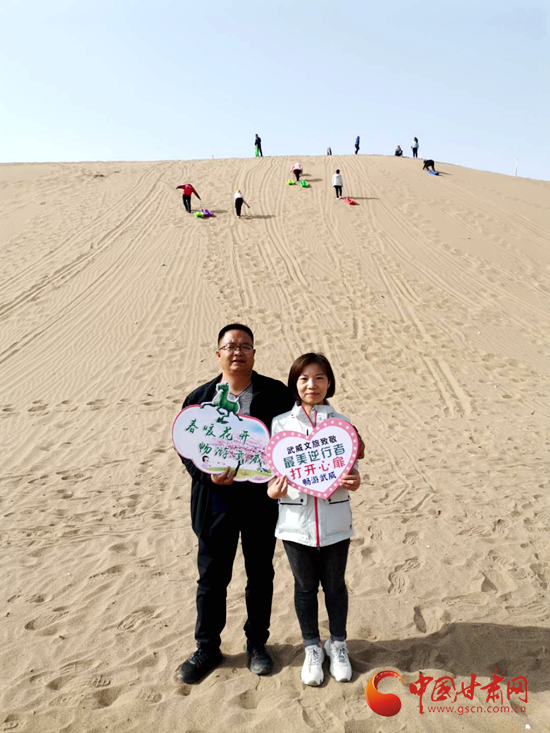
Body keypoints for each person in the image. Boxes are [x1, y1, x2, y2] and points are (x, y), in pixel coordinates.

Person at [176, 324, 295, 684]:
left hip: (261, 502)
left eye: (245, 346)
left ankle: (257, 644)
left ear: (254, 353)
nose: (237, 352)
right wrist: (207, 476)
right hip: (215, 503)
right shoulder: (199, 399)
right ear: (218, 354)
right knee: (212, 579)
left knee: (260, 575)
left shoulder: (276, 394)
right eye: (230, 346)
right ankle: (207, 647)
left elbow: (295, 438)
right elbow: (187, 450)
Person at [267, 353, 361, 686]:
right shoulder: (280, 425)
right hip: (295, 524)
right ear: (294, 383)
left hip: (335, 523)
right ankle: (312, 647)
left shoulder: (342, 423)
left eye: (320, 378)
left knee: (335, 586)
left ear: (329, 382)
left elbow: (352, 471)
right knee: (305, 587)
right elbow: (270, 478)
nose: (312, 385)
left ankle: (338, 644)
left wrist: (355, 480)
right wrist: (273, 491)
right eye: (304, 378)